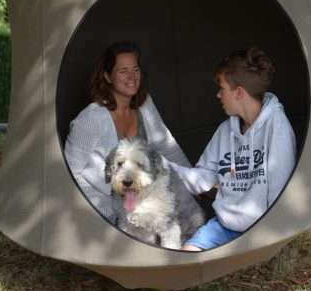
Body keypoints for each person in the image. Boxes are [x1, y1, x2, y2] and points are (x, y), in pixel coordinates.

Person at [168, 47, 296, 251]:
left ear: (238, 93)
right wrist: (164, 169)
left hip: (262, 231)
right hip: (224, 227)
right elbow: (204, 178)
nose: (218, 95)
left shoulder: (277, 127)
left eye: (221, 88)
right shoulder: (225, 130)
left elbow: (280, 196)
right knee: (187, 257)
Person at [64, 41, 190, 223]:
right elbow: (69, 175)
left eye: (136, 69)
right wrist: (107, 213)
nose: (132, 77)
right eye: (123, 71)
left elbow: (167, 147)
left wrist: (191, 188)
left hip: (145, 200)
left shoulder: (144, 103)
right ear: (107, 76)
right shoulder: (91, 118)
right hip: (100, 208)